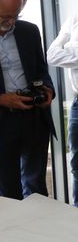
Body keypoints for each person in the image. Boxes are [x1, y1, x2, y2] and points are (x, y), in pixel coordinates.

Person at [0, 0, 55, 200]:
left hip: (33, 116)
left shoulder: (30, 31)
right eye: (6, 17)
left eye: (16, 16)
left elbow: (42, 70)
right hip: (2, 121)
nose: (12, 22)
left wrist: (48, 89)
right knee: (8, 190)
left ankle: (38, 230)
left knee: (36, 187)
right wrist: (0, 98)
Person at [47, 12, 78, 206]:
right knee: (76, 164)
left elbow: (59, 51)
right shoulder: (74, 18)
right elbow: (51, 55)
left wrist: (68, 49)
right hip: (77, 104)